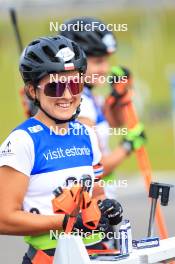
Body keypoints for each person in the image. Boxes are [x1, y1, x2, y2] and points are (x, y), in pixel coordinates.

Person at [0, 35, 123, 263]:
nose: (67, 95)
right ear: (32, 91)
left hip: (97, 253)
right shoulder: (22, 141)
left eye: (75, 85)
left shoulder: (86, 134)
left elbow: (96, 193)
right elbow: (4, 219)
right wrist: (66, 222)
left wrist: (106, 208)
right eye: (54, 87)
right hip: (51, 257)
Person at [60, 17, 146, 196]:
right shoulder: (79, 104)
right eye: (98, 62)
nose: (105, 69)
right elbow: (92, 168)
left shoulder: (88, 95)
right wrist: (128, 146)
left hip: (103, 198)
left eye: (107, 61)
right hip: (93, 204)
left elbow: (114, 123)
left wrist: (117, 97)